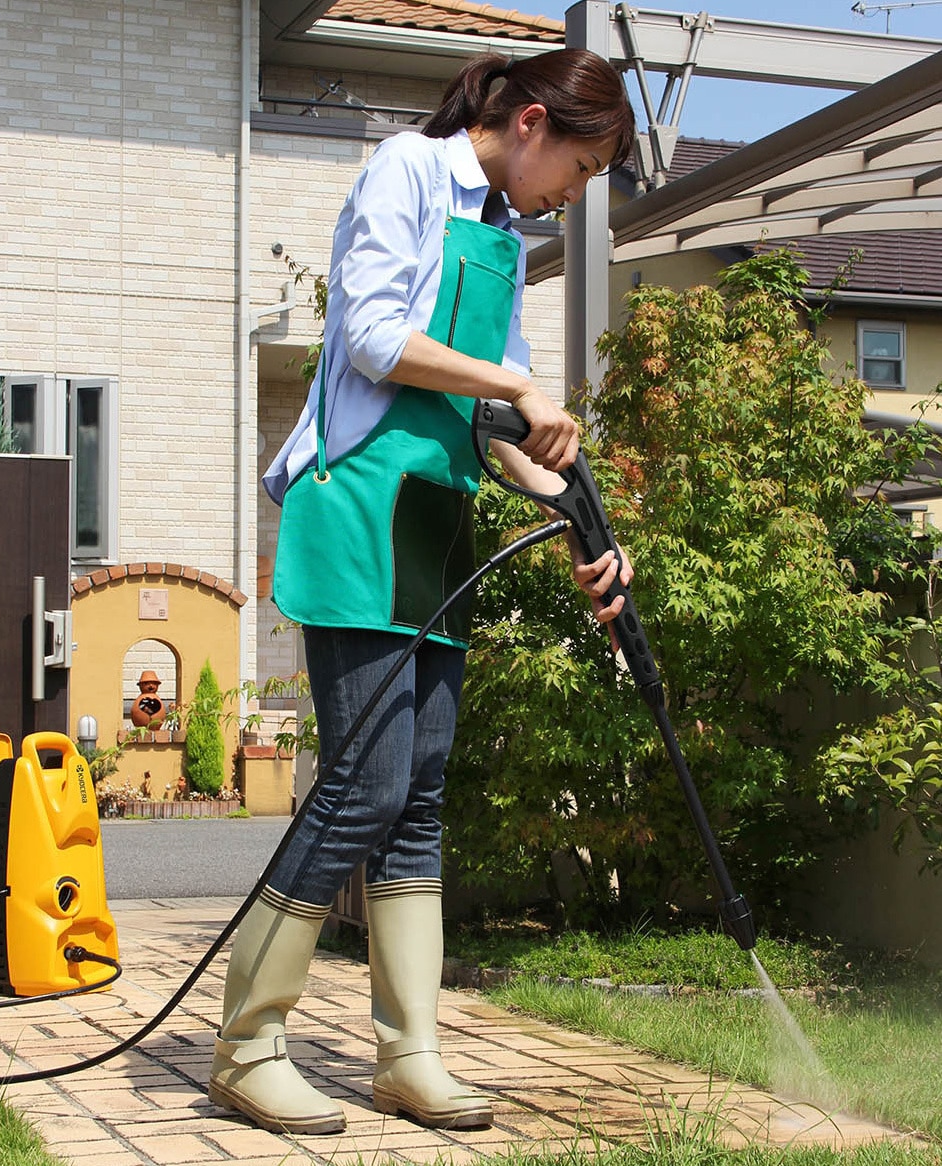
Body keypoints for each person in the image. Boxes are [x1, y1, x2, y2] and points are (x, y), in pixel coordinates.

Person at [208, 48, 636, 1136]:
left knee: (421, 789)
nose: (569, 197)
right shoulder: (405, 170)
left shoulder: (498, 235)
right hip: (355, 509)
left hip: (432, 529)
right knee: (363, 783)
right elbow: (367, 338)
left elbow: (507, 434)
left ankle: (409, 1052)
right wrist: (515, 382)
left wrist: (587, 526)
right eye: (577, 170)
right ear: (530, 122)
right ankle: (246, 1044)